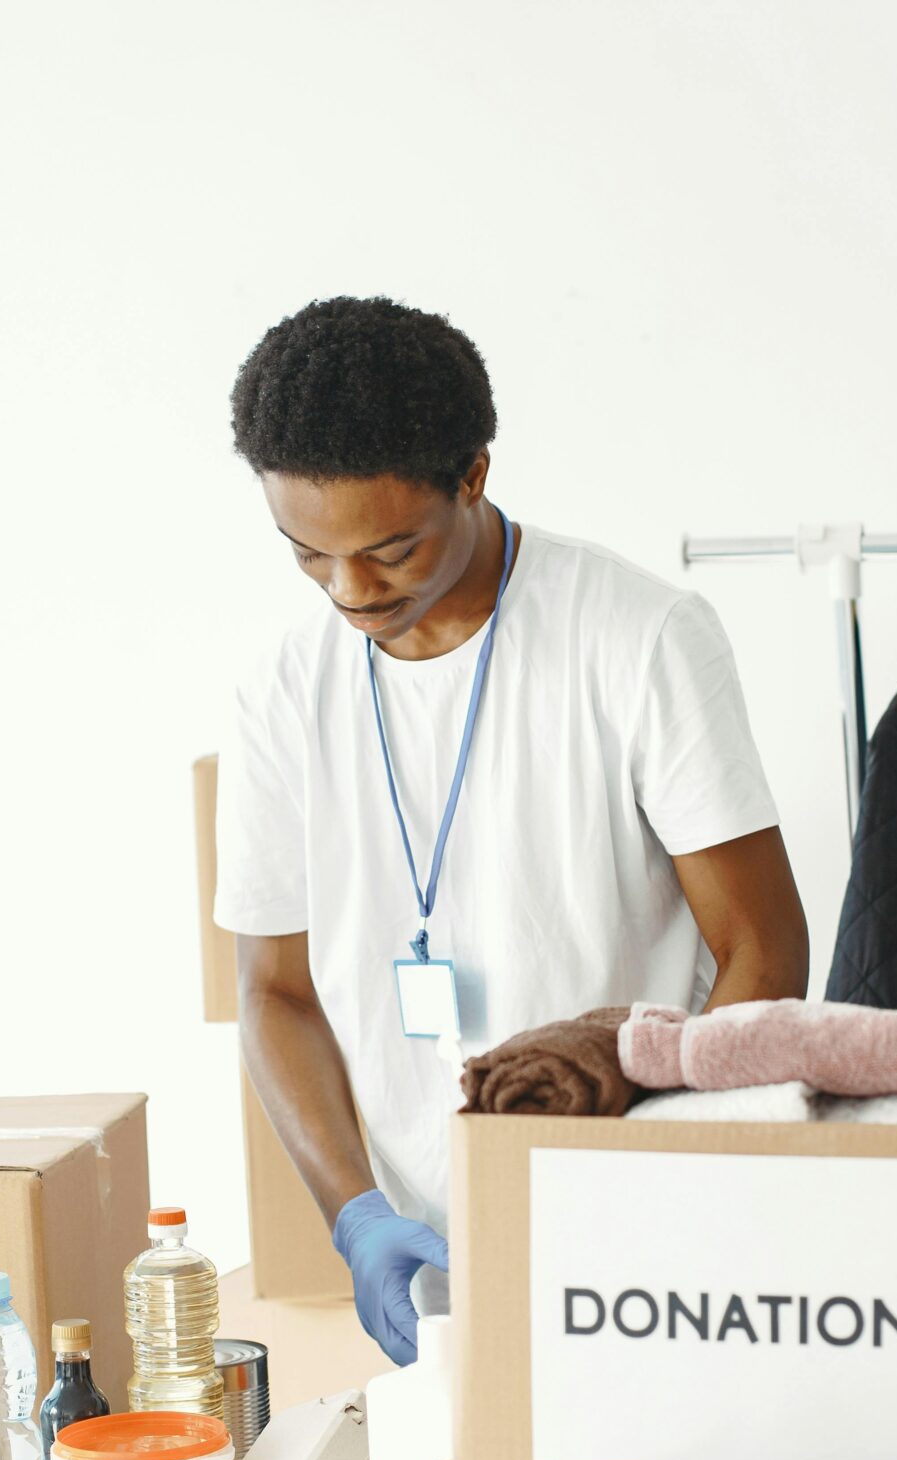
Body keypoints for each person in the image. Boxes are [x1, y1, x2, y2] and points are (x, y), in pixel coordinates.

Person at [214, 297, 809, 1364]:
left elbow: (761, 949)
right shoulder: (282, 691)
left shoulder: (639, 639)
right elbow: (274, 990)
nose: (350, 590)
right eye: (308, 555)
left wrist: (660, 1173)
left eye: (391, 550)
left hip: (644, 1228)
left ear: (473, 475)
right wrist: (357, 1219)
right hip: (429, 1258)